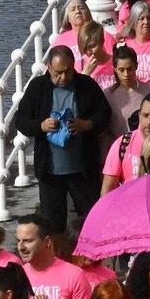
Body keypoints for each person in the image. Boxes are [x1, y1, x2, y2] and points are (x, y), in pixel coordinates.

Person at [12, 49, 113, 236]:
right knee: (52, 225)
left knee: (91, 219)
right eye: (58, 73)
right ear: (48, 68)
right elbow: (21, 120)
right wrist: (40, 125)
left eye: (68, 71)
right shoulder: (37, 87)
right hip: (50, 171)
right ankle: (58, 261)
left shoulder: (86, 85)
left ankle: (91, 259)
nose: (63, 77)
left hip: (83, 169)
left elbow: (104, 114)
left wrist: (86, 124)